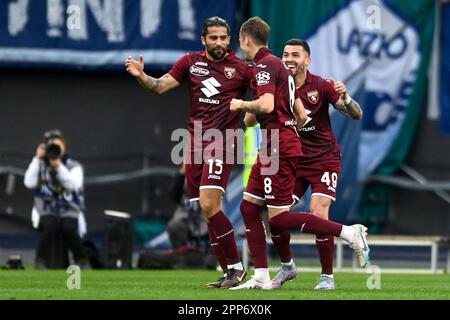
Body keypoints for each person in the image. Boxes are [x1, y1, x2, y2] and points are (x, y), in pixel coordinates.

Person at [229, 17, 370, 290]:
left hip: (321, 158)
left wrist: (347, 99)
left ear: (308, 60)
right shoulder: (278, 77)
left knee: (317, 211)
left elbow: (356, 114)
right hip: (288, 153)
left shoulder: (321, 86)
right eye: (286, 54)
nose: (289, 59)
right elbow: (276, 116)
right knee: (271, 217)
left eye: (295, 55)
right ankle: (285, 266)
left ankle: (328, 273)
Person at [125, 16, 251, 288]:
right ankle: (229, 270)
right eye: (213, 38)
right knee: (206, 210)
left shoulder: (241, 69)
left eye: (223, 38)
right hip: (193, 145)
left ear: (229, 40)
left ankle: (237, 268)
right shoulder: (190, 62)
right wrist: (141, 76)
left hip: (224, 141)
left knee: (208, 203)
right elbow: (159, 86)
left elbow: (266, 95)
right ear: (203, 39)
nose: (219, 43)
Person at [24, 129, 87, 269]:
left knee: (68, 228)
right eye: (51, 146)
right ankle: (40, 261)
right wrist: (36, 159)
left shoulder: (73, 166)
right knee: (51, 226)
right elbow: (28, 183)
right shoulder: (40, 165)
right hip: (45, 207)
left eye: (58, 146)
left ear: (64, 146)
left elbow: (72, 185)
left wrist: (58, 166)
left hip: (69, 208)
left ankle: (82, 261)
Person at [166, 165, 208, 250]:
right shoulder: (184, 175)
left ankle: (214, 258)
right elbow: (173, 196)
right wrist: (182, 172)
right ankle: (183, 255)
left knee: (217, 226)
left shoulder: (211, 172)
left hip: (205, 218)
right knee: (174, 225)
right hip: (185, 217)